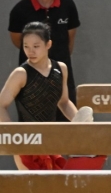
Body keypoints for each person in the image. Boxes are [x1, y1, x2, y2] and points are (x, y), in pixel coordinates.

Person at [0, 22, 93, 171]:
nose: (30, 51)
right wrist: (12, 133)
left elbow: (63, 102)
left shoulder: (61, 68)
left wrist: (81, 122)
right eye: (26, 46)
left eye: (36, 46)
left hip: (50, 140)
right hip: (27, 141)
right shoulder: (21, 74)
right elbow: (1, 105)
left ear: (48, 44)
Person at [8, 0, 81, 119]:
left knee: (66, 124)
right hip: (32, 75)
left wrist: (56, 61)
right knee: (33, 127)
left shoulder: (68, 5)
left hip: (60, 70)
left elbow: (70, 38)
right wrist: (36, 56)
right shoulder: (21, 9)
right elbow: (17, 41)